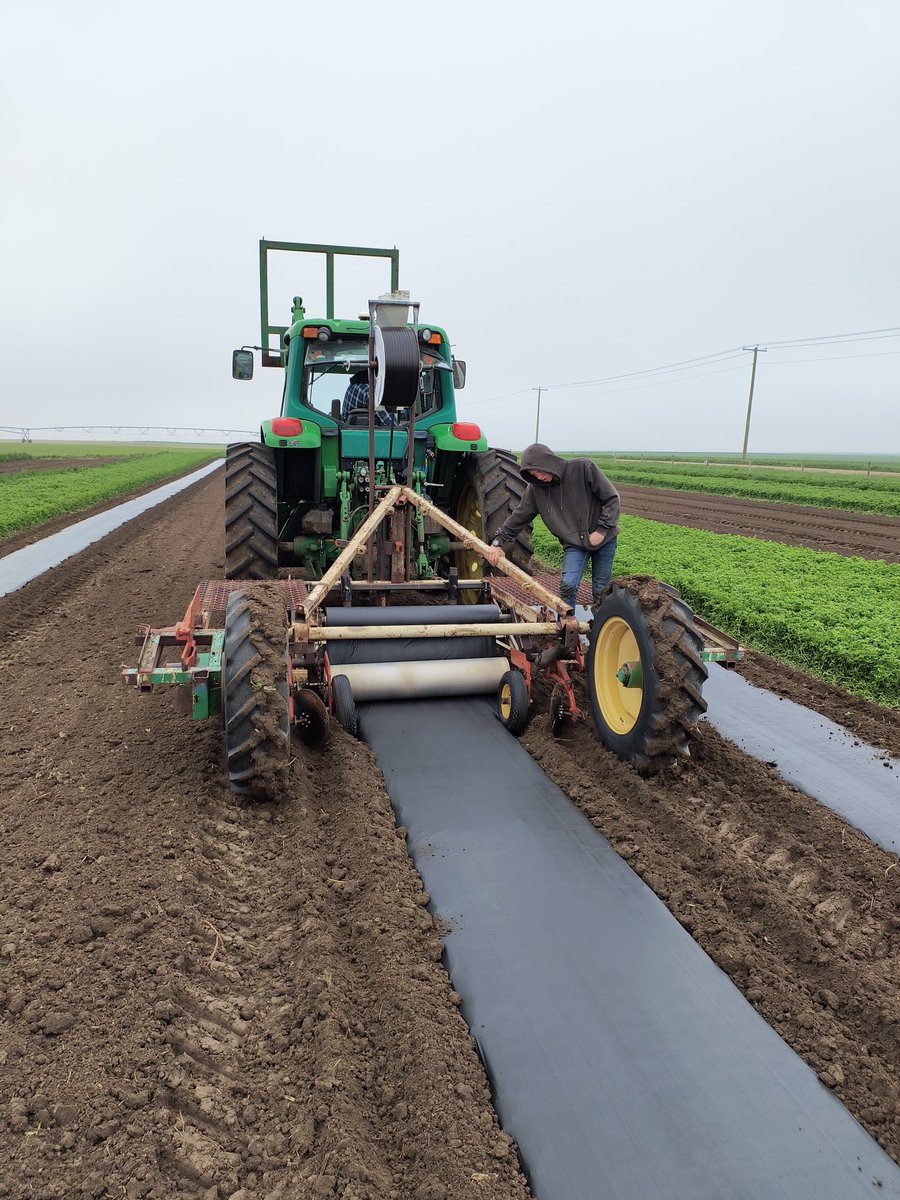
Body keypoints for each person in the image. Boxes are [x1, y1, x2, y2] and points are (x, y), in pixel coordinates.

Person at [484, 443, 620, 607]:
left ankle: (601, 627)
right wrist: (497, 541)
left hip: (603, 539)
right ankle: (565, 625)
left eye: (539, 470)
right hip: (574, 543)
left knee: (601, 588)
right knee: (568, 585)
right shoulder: (536, 490)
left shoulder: (583, 468)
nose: (539, 477)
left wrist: (602, 530)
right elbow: (518, 517)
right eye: (533, 474)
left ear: (548, 462)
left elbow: (612, 498)